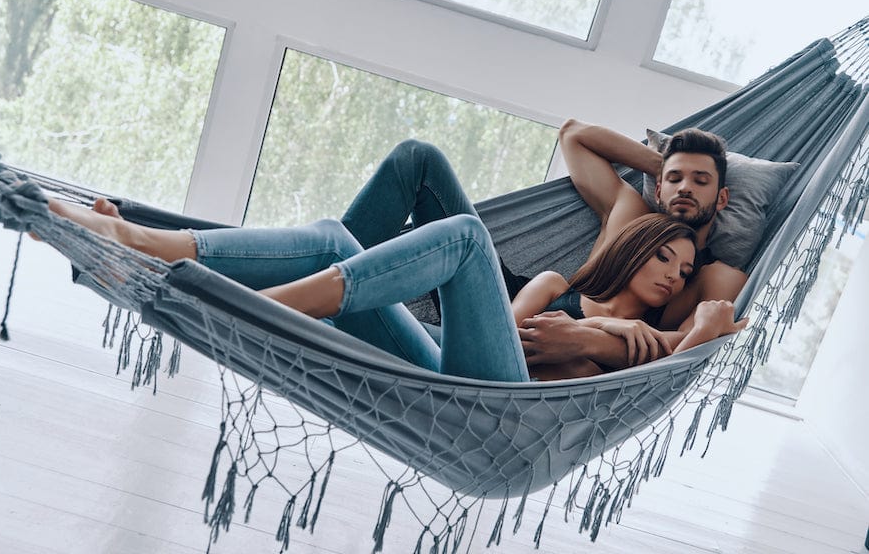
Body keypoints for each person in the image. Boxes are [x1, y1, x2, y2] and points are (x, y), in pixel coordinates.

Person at [46, 198, 745, 382]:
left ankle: (251, 304)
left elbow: (664, 359)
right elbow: (501, 338)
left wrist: (703, 318)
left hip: (500, 404)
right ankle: (140, 240)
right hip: (462, 370)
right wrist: (580, 335)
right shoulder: (562, 286)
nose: (672, 277)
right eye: (665, 258)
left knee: (467, 236)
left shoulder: (661, 342)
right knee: (329, 237)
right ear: (632, 248)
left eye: (682, 274)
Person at [337, 125, 748, 373]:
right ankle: (328, 267)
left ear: (723, 196)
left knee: (352, 314)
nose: (686, 189)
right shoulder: (632, 215)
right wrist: (666, 165)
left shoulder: (710, 276)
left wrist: (587, 336)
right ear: (658, 186)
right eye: (676, 179)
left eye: (701, 180)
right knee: (418, 159)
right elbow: (574, 135)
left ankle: (320, 279)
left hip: (509, 351)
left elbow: (674, 352)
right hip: (507, 297)